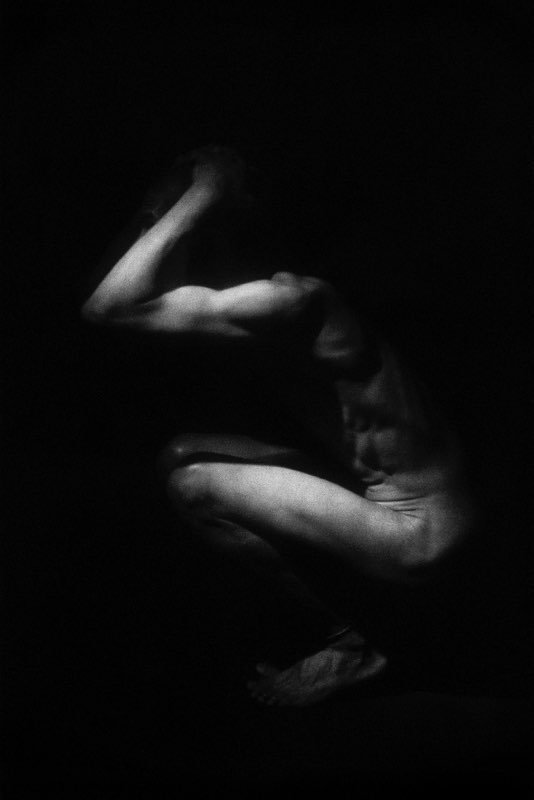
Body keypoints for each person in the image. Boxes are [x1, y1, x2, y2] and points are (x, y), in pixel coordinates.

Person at [82, 146, 476, 706]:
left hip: (421, 530)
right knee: (181, 452)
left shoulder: (290, 301)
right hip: (403, 501)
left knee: (192, 486)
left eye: (158, 222)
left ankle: (356, 642)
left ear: (204, 222)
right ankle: (371, 620)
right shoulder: (275, 296)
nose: (148, 236)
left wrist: (205, 189)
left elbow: (107, 306)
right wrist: (193, 199)